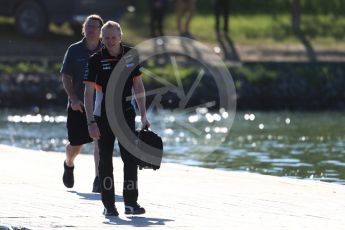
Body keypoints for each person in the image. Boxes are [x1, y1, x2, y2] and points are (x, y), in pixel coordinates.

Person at [84, 21, 151, 216]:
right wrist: (91, 122)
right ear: (101, 39)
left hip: (126, 115)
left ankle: (131, 203)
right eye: (107, 38)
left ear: (120, 37)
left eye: (114, 37)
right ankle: (109, 206)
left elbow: (138, 85)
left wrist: (144, 115)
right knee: (105, 161)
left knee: (130, 159)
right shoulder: (95, 59)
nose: (111, 41)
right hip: (103, 116)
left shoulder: (131, 55)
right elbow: (88, 93)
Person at [61, 14, 104, 193]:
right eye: (89, 25)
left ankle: (98, 179)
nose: (91, 29)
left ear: (101, 31)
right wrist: (73, 98)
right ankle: (68, 163)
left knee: (100, 141)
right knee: (76, 145)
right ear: (83, 28)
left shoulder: (107, 50)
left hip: (100, 105)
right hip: (79, 105)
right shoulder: (74, 50)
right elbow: (66, 76)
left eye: (95, 26)